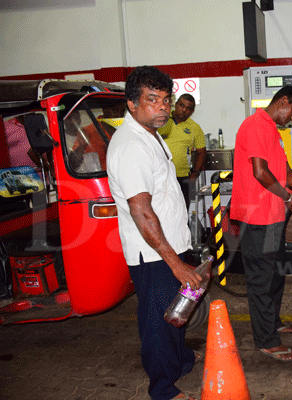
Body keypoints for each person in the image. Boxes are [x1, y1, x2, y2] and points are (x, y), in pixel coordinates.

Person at [106, 66, 202, 400]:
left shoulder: (152, 134)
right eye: (152, 100)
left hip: (170, 247)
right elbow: (141, 210)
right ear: (132, 104)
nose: (162, 107)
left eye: (165, 99)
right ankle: (162, 388)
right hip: (154, 255)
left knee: (179, 310)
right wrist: (176, 263)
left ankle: (180, 361)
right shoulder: (131, 146)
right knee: (159, 322)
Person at [230, 85, 292, 362]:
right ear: (284, 101)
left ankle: (272, 322)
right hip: (258, 219)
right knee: (261, 280)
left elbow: (284, 172)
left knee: (275, 274)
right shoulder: (254, 125)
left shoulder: (274, 133)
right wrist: (288, 197)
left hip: (274, 217)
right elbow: (260, 172)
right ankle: (266, 340)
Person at [158, 93, 206, 209]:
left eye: (188, 108)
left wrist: (195, 174)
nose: (184, 110)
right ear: (176, 104)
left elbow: (201, 152)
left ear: (192, 111)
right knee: (163, 211)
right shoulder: (161, 120)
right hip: (160, 176)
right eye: (181, 105)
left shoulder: (195, 127)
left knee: (182, 211)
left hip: (183, 177)